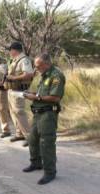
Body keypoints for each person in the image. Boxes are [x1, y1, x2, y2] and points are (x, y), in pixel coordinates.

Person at [22, 54, 66, 185]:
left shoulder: (56, 75)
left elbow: (55, 97)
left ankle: (50, 172)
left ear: (46, 63)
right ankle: (35, 163)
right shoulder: (43, 74)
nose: (36, 68)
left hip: (48, 114)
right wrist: (32, 94)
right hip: (38, 113)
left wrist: (36, 98)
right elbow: (42, 92)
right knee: (32, 139)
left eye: (38, 65)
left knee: (46, 143)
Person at [5, 42, 35, 147]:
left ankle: (29, 137)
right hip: (11, 90)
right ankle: (19, 134)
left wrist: (14, 78)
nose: (9, 52)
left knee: (19, 112)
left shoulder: (24, 60)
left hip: (19, 90)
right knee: (13, 113)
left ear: (15, 50)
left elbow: (29, 74)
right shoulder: (14, 60)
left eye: (10, 50)